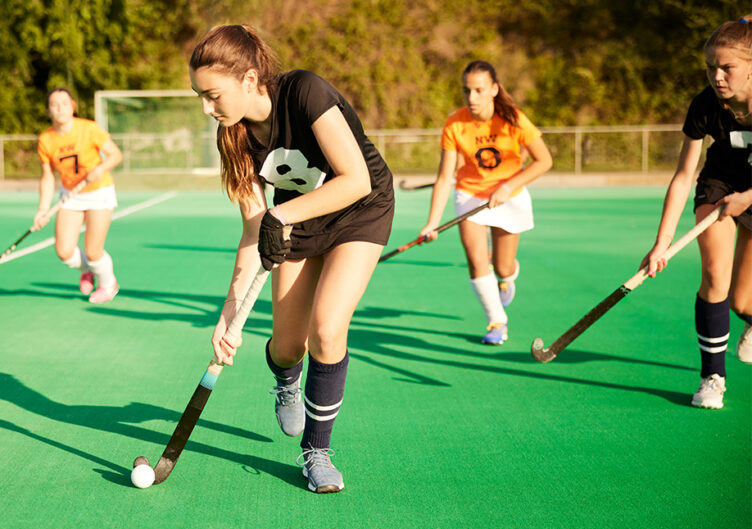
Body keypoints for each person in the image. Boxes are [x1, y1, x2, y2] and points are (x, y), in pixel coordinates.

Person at [190, 24, 395, 493]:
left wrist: (279, 214)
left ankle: (316, 451)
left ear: (248, 79)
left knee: (327, 328)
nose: (207, 108)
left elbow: (355, 180)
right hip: (296, 221)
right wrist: (228, 313)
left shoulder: (304, 90)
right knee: (287, 346)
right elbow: (250, 229)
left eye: (212, 95)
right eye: (200, 97)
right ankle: (286, 380)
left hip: (360, 210)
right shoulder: (232, 137)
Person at [641, 17, 752, 410]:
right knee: (714, 275)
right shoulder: (705, 105)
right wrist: (662, 243)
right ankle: (712, 377)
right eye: (710, 67)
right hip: (719, 185)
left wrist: (749, 197)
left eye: (727, 68)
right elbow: (684, 174)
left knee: (743, 304)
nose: (717, 76)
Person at [418, 60, 552, 345]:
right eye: (467, 91)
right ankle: (496, 321)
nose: (472, 98)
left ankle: (506, 277)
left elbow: (544, 160)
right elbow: (444, 178)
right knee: (476, 259)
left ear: (494, 89)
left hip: (510, 197)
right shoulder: (455, 124)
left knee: (503, 266)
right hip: (470, 196)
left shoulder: (514, 119)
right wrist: (432, 222)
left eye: (479, 90)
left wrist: (508, 186)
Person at [31, 88, 123, 303]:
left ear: (72, 105)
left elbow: (115, 154)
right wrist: (42, 210)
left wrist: (100, 168)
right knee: (64, 251)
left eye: (64, 103)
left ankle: (109, 284)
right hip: (70, 195)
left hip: (99, 192)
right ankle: (87, 270)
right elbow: (47, 178)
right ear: (48, 111)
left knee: (93, 251)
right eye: (54, 104)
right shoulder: (46, 140)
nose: (60, 108)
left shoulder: (88, 129)